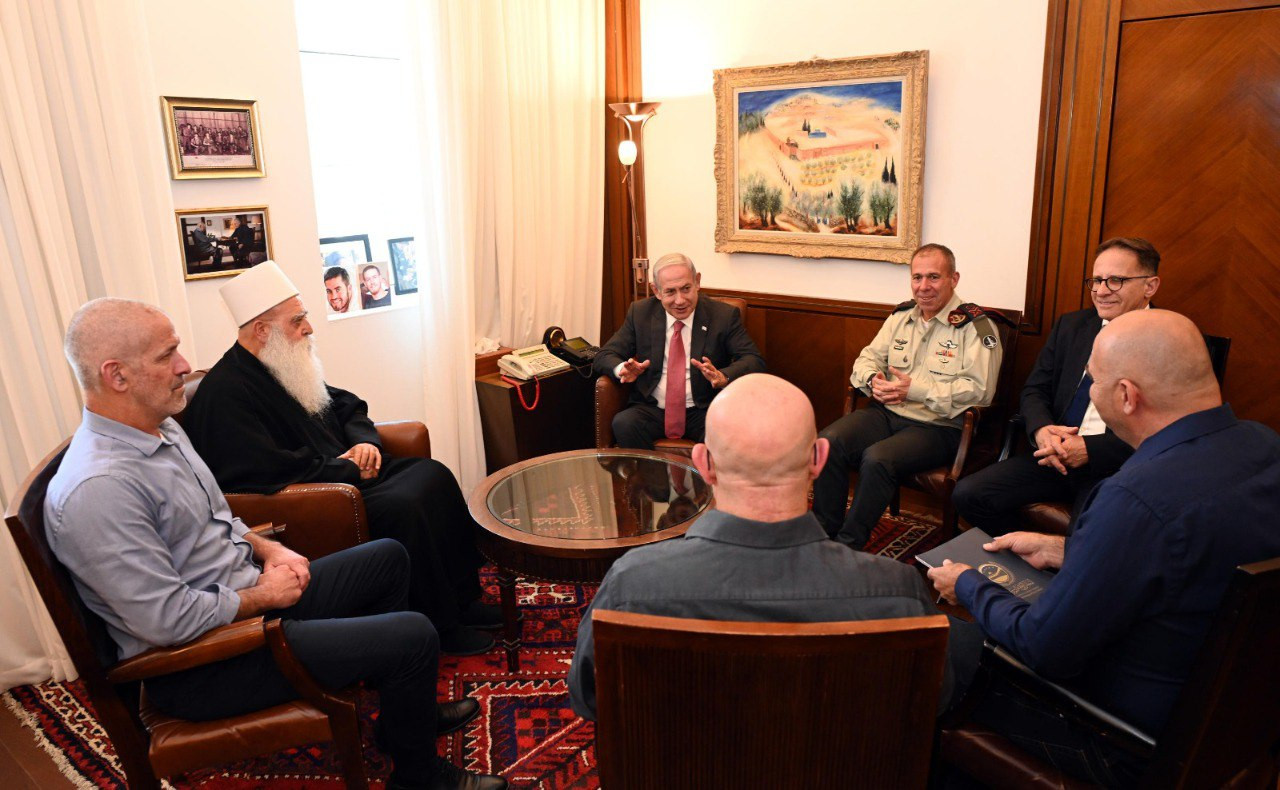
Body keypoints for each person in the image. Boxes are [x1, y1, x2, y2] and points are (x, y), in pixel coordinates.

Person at [45, 298, 506, 790]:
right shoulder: (100, 487)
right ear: (116, 376)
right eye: (167, 355)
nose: (184, 366)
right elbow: (166, 621)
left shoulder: (161, 431)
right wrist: (264, 597)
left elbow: (220, 517)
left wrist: (271, 551)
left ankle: (400, 726)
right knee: (412, 636)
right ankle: (419, 779)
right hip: (210, 661)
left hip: (248, 598)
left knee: (389, 559)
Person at [928, 310, 1280, 786]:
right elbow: (1187, 559)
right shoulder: (1264, 446)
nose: (1089, 395)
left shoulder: (1137, 498)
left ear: (1126, 396)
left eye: (1093, 384)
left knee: (930, 649)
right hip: (1238, 718)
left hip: (1120, 739)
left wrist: (967, 584)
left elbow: (1044, 649)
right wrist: (1068, 550)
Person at [568, 373, 948, 719]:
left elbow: (589, 700)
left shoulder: (632, 585)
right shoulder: (898, 593)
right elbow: (938, 699)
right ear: (818, 459)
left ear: (703, 464)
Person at [183, 262, 499, 656]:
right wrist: (348, 468)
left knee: (433, 475)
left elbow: (348, 406)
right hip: (320, 495)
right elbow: (268, 469)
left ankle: (462, 599)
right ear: (262, 330)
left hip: (349, 473)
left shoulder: (283, 364)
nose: (309, 328)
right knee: (406, 504)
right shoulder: (226, 393)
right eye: (297, 320)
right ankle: (439, 622)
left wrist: (366, 445)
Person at [952, 237, 1161, 536]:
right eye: (1097, 280)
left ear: (1150, 286)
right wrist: (1042, 430)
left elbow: (1166, 430)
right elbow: (1035, 389)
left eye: (1115, 281)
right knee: (969, 494)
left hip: (1118, 468)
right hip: (1055, 454)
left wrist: (1089, 449)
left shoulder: (1171, 341)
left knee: (1090, 534)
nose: (1101, 291)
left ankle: (1066, 572)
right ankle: (1030, 566)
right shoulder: (1072, 326)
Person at [811, 244, 1002, 549]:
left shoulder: (977, 326)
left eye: (934, 277)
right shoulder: (900, 317)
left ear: (954, 278)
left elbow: (980, 390)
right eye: (917, 278)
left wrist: (915, 389)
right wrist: (873, 379)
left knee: (878, 459)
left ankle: (848, 546)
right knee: (827, 442)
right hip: (887, 413)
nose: (923, 287)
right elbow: (866, 359)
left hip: (939, 426)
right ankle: (822, 534)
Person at [592, 253, 765, 450]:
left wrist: (724, 376)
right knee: (624, 423)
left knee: (724, 430)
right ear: (656, 291)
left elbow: (754, 360)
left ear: (697, 282)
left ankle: (703, 481)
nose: (680, 300)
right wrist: (622, 368)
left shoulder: (723, 316)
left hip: (702, 408)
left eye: (685, 289)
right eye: (670, 292)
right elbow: (604, 356)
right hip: (653, 408)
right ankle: (650, 481)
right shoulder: (640, 313)